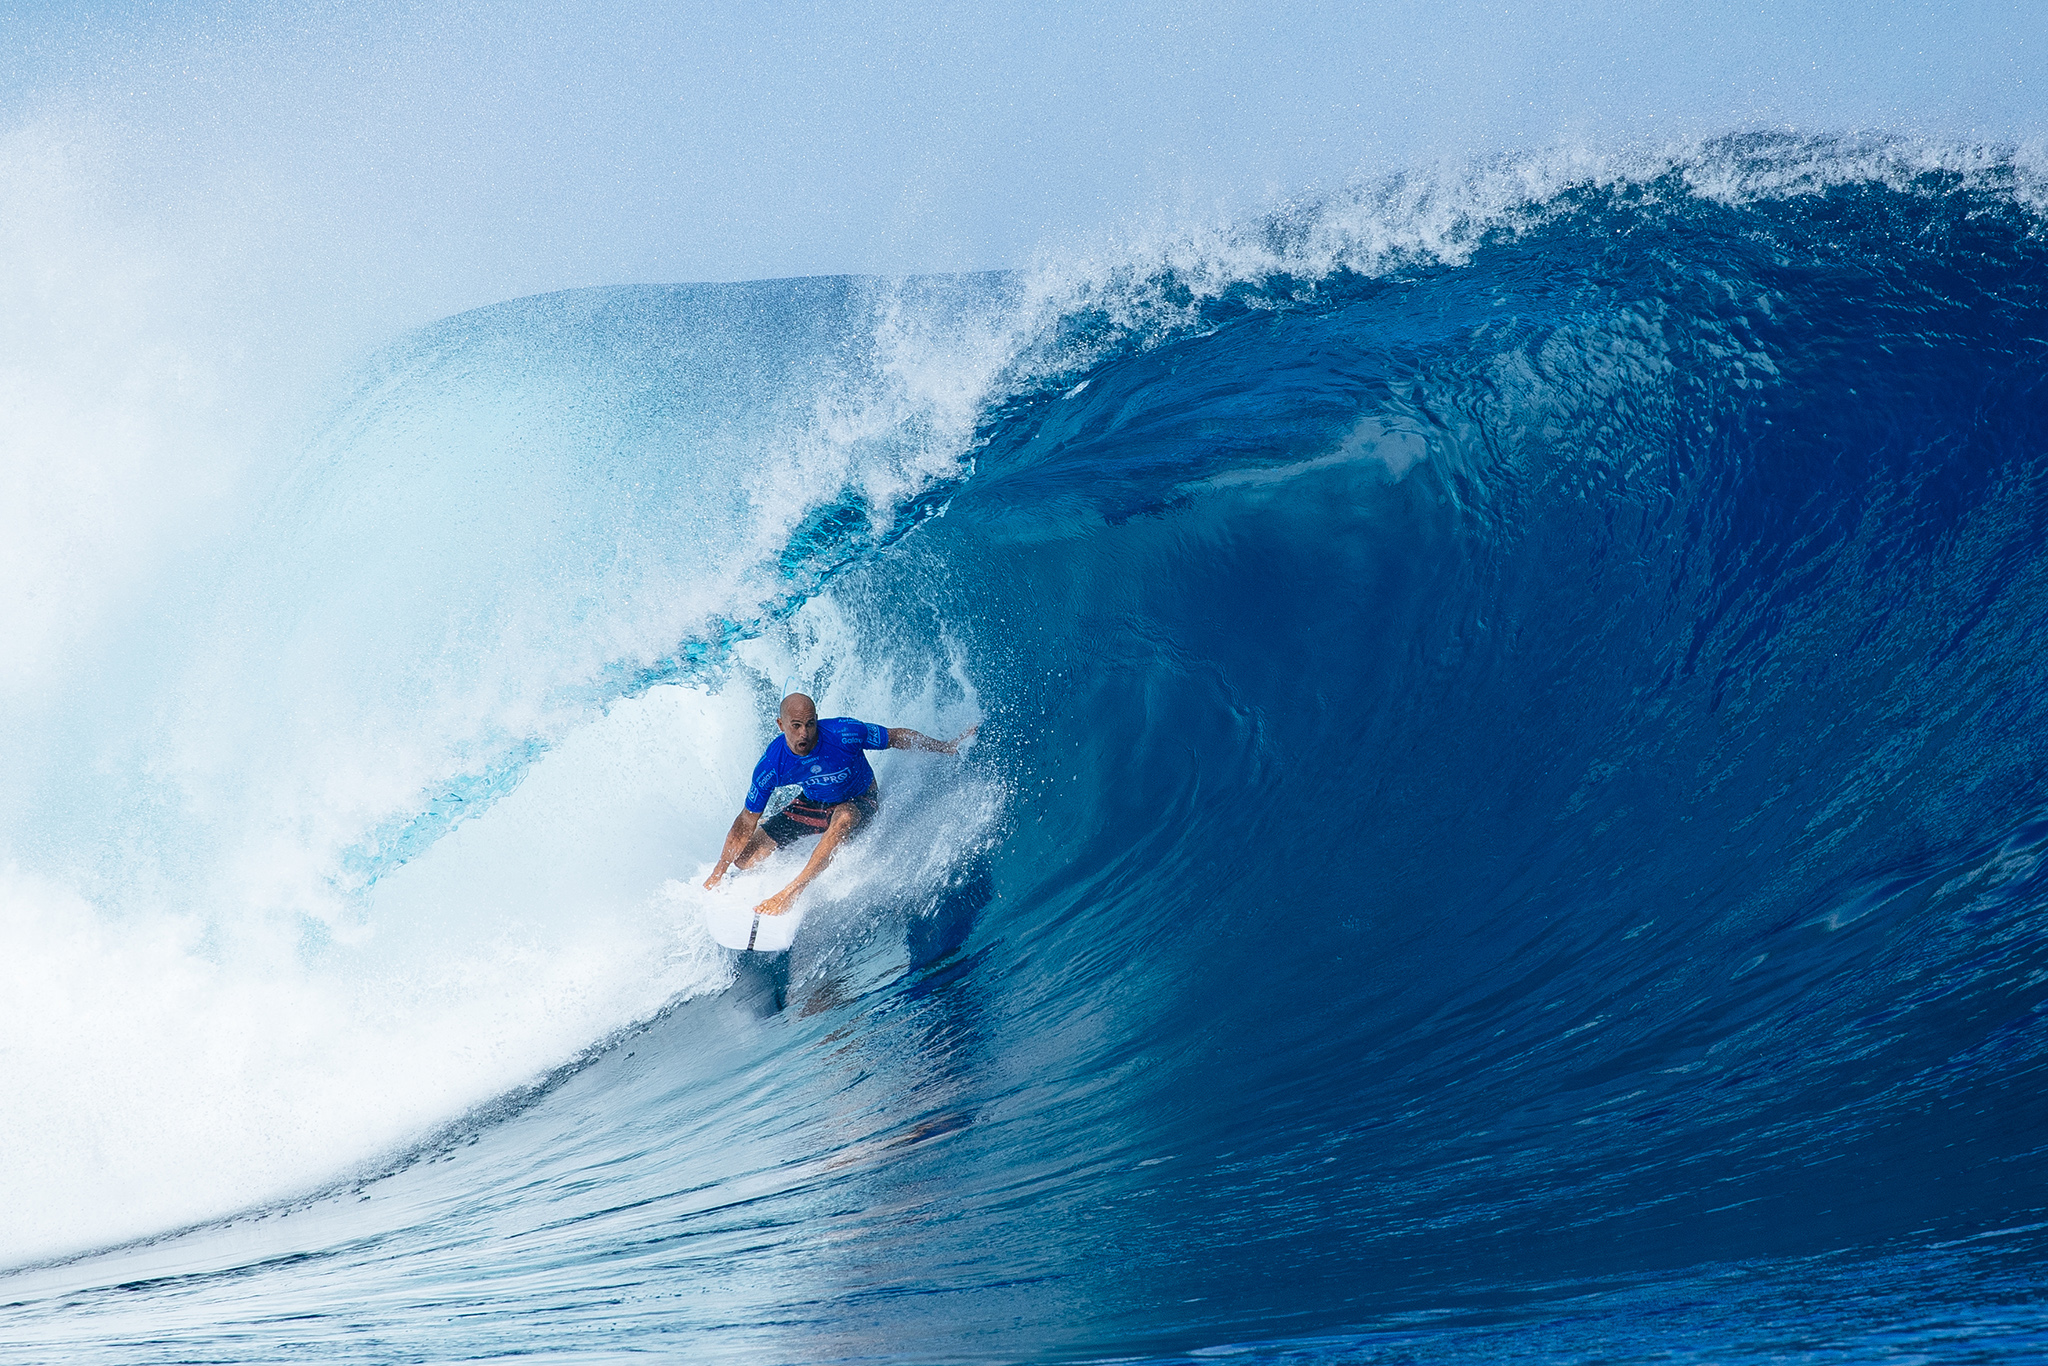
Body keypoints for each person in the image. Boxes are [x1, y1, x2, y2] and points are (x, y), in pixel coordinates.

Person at [705, 692, 977, 918]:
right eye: (796, 725)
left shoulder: (844, 733)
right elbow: (745, 820)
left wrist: (945, 747)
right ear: (781, 725)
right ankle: (777, 830)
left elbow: (894, 737)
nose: (804, 734)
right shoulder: (772, 765)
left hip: (859, 800)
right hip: (814, 803)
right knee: (743, 859)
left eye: (810, 724)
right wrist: (719, 871)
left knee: (844, 817)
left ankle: (792, 891)